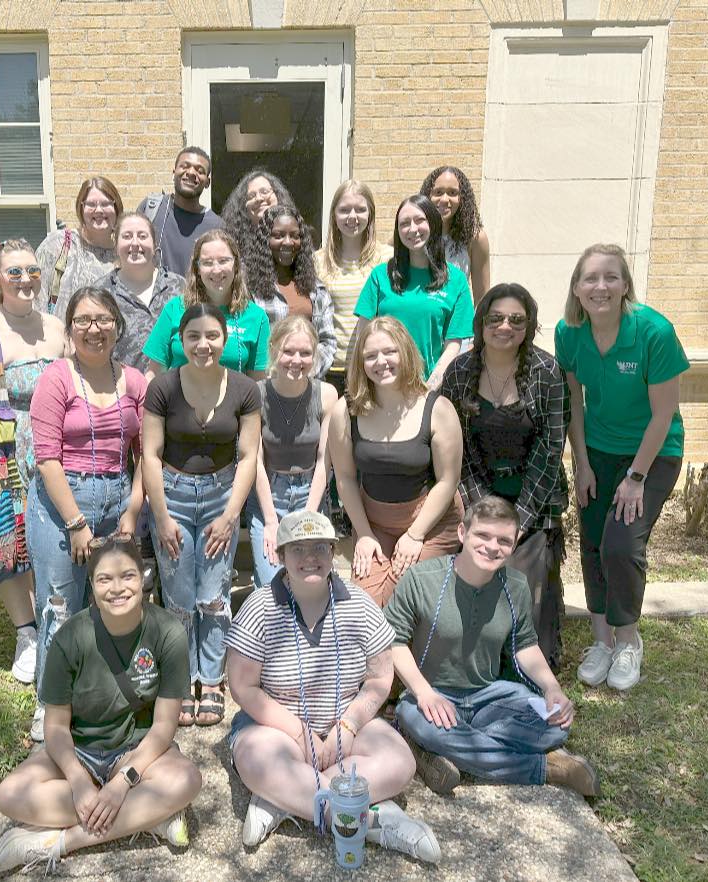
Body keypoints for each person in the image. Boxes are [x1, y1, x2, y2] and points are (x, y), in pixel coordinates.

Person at [226, 510, 441, 862]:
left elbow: (378, 679)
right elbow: (242, 687)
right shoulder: (260, 607)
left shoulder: (360, 605)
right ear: (280, 556)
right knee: (256, 759)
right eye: (298, 549)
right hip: (275, 729)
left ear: (332, 552)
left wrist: (350, 724)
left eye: (320, 548)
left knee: (401, 763)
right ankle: (376, 821)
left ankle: (286, 797)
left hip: (345, 724)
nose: (310, 557)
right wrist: (298, 733)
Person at [0, 535, 200, 874]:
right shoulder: (70, 637)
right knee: (9, 795)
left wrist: (122, 784)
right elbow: (56, 727)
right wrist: (77, 781)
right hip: (81, 750)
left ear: (143, 577)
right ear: (91, 585)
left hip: (136, 752)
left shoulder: (167, 632)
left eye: (128, 576)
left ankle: (58, 842)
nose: (118, 588)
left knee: (187, 779)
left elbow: (163, 728)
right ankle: (148, 817)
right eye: (105, 578)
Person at [386, 496, 599, 798]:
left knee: (556, 725)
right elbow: (392, 641)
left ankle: (439, 749)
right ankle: (547, 768)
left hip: (488, 697)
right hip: (432, 695)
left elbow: (525, 645)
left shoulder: (515, 585)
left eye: (503, 540)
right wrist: (423, 693)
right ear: (463, 533)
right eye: (482, 535)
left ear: (514, 544)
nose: (492, 546)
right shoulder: (422, 579)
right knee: (413, 716)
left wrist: (552, 689)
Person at [556, 244, 689, 692]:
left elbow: (663, 414)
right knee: (592, 543)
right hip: (597, 450)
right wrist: (583, 464)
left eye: (611, 277)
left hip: (653, 453)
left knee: (621, 542)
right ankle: (602, 642)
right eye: (590, 278)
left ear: (625, 284)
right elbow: (574, 401)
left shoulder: (654, 332)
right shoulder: (569, 332)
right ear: (576, 288)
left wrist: (635, 478)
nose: (601, 287)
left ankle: (629, 641)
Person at [28, 287, 147, 740]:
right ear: (69, 327)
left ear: (117, 325)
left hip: (118, 497)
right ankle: (50, 703)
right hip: (63, 503)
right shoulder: (56, 378)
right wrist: (76, 523)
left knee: (113, 603)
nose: (94, 329)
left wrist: (134, 510)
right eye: (83, 320)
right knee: (61, 604)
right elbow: (46, 458)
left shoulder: (134, 381)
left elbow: (145, 454)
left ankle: (102, 692)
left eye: (103, 320)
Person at [142, 303, 262, 727]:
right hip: (171, 495)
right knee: (176, 595)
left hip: (220, 497)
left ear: (225, 339)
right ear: (180, 340)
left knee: (212, 593)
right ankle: (179, 678)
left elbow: (249, 456)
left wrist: (232, 515)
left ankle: (209, 679)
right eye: (193, 336)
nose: (203, 345)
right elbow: (150, 456)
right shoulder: (162, 387)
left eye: (211, 336)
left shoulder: (246, 389)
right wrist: (160, 516)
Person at [439, 283, 570, 669]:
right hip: (479, 498)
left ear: (528, 326)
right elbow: (454, 447)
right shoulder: (460, 372)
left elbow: (551, 450)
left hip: (535, 503)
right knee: (478, 570)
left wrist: (520, 522)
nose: (505, 327)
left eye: (516, 319)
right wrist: (486, 516)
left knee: (521, 590)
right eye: (495, 318)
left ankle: (525, 661)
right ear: (481, 324)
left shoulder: (547, 372)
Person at [0, 239, 67, 683]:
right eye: (15, 272)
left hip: (51, 449)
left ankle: (53, 626)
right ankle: (26, 633)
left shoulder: (56, 327)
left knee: (49, 539)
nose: (25, 280)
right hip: (4, 454)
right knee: (9, 543)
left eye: (33, 271)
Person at [328, 317, 463, 607]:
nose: (381, 362)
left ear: (405, 352)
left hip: (430, 522)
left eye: (390, 352)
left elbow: (448, 480)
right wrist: (363, 534)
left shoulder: (437, 408)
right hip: (374, 522)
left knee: (405, 596)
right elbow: (345, 479)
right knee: (364, 605)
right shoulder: (346, 410)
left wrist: (415, 535)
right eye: (371, 356)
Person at [247, 315, 338, 593]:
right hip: (269, 496)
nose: (296, 360)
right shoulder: (256, 394)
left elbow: (325, 460)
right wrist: (272, 520)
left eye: (305, 353)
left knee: (310, 582)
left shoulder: (327, 394)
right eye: (288, 351)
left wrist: (309, 515)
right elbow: (255, 462)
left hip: (311, 491)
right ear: (273, 349)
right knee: (273, 584)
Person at [353, 194, 473, 391]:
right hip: (383, 387)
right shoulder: (380, 276)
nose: (412, 229)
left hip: (430, 387)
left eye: (419, 220)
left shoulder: (456, 281)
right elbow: (363, 336)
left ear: (433, 224)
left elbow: (454, 345)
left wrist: (429, 388)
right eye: (404, 223)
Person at [142, 229, 270, 380]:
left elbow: (257, 382)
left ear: (235, 265)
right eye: (207, 263)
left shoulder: (256, 317)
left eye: (223, 261)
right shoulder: (175, 309)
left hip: (233, 403)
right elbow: (153, 374)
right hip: (178, 402)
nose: (216, 270)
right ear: (197, 269)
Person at [315, 179, 393, 396]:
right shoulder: (317, 261)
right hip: (329, 369)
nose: (352, 216)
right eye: (344, 210)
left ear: (371, 214)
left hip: (374, 367)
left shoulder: (387, 258)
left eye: (360, 209)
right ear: (334, 215)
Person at [243, 203, 337, 378]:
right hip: (265, 387)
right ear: (265, 240)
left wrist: (305, 371)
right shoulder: (248, 288)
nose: (287, 242)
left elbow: (327, 342)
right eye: (278, 235)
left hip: (308, 385)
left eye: (294, 235)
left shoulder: (316, 289)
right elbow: (244, 341)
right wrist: (275, 375)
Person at [95, 211, 185, 373]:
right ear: (116, 245)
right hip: (121, 393)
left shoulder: (178, 286)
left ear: (155, 243)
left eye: (142, 236)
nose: (135, 243)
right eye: (127, 236)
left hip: (175, 392)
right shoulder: (101, 293)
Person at [36, 177, 122, 317]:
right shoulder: (58, 244)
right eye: (91, 204)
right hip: (60, 337)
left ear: (116, 207)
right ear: (81, 208)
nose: (99, 210)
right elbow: (36, 299)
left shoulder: (124, 255)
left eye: (106, 204)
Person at [137, 146, 222, 275]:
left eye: (200, 170)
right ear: (174, 172)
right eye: (185, 166)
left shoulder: (216, 226)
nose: (191, 173)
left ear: (207, 182)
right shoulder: (151, 208)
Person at [420, 166, 491, 305]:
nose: (445, 199)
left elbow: (482, 299)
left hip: (456, 320)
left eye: (452, 193)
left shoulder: (475, 238)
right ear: (428, 196)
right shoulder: (413, 233)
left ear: (462, 198)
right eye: (438, 192)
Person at [221, 168, 294, 262]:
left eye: (264, 192)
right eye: (251, 196)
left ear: (278, 195)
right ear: (243, 207)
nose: (259, 198)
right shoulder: (234, 245)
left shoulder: (295, 238)